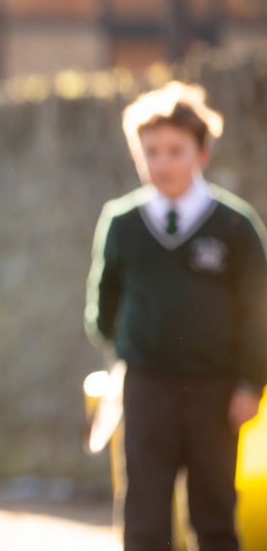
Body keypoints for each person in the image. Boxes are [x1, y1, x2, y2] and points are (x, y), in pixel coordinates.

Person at [86, 81, 267, 551]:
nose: (162, 162)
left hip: (216, 391)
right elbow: (103, 306)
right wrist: (129, 349)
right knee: (145, 512)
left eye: (175, 150)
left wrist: (251, 383)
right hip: (147, 388)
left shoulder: (235, 225)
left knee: (214, 511)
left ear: (202, 154)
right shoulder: (122, 223)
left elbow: (258, 313)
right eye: (151, 151)